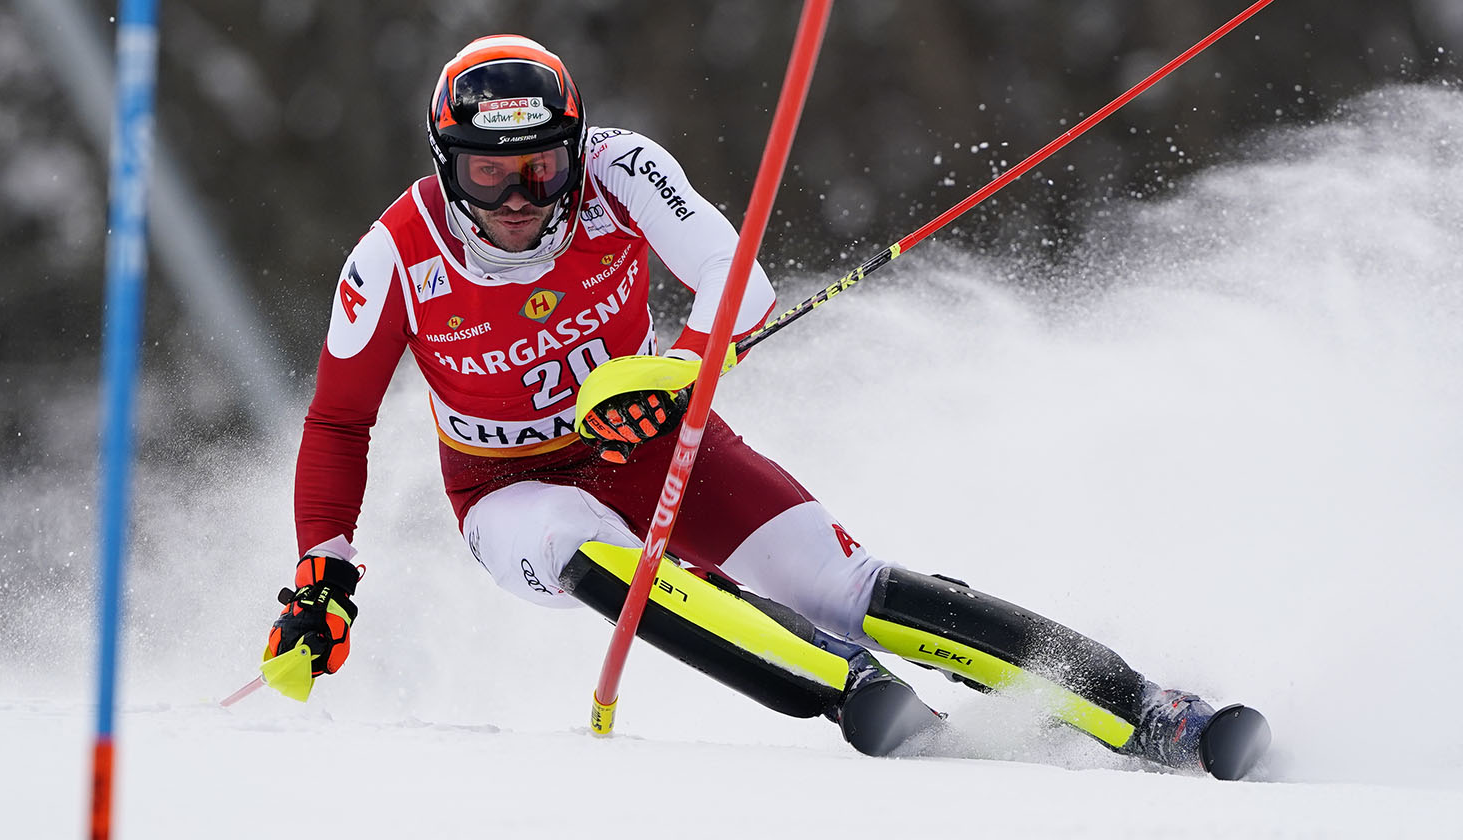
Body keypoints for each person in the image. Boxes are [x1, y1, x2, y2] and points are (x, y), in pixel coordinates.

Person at [263, 34, 1267, 777]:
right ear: (447, 165)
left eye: (541, 168)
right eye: (490, 176)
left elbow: (737, 280)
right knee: (585, 548)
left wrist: (673, 376)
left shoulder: (619, 169)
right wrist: (325, 568)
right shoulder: (393, 256)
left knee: (843, 584)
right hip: (505, 489)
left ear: (574, 146)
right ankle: (863, 699)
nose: (521, 200)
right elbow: (339, 422)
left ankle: (1148, 710)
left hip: (651, 441)